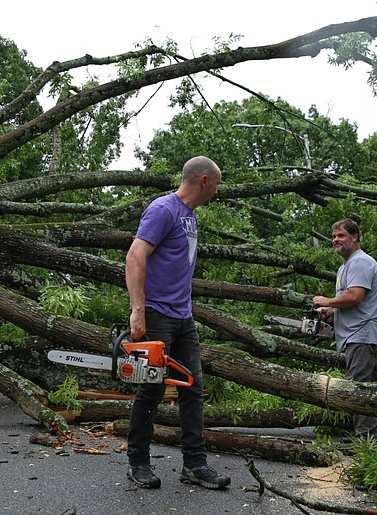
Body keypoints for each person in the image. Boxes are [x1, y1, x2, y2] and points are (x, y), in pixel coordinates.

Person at [124, 156, 230, 490]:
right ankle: (138, 462)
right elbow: (135, 256)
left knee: (192, 388)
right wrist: (138, 311)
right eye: (216, 185)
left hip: (183, 317)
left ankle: (195, 466)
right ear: (203, 181)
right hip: (156, 313)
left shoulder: (190, 216)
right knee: (152, 389)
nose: (216, 192)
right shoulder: (163, 209)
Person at [312, 218, 377, 439]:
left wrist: (327, 301)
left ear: (354, 237)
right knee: (368, 389)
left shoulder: (360, 262)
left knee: (358, 389)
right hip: (359, 334)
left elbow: (355, 296)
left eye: (341, 236)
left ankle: (364, 439)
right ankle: (370, 438)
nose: (336, 240)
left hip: (363, 334)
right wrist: (332, 311)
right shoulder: (346, 266)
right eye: (334, 236)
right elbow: (352, 300)